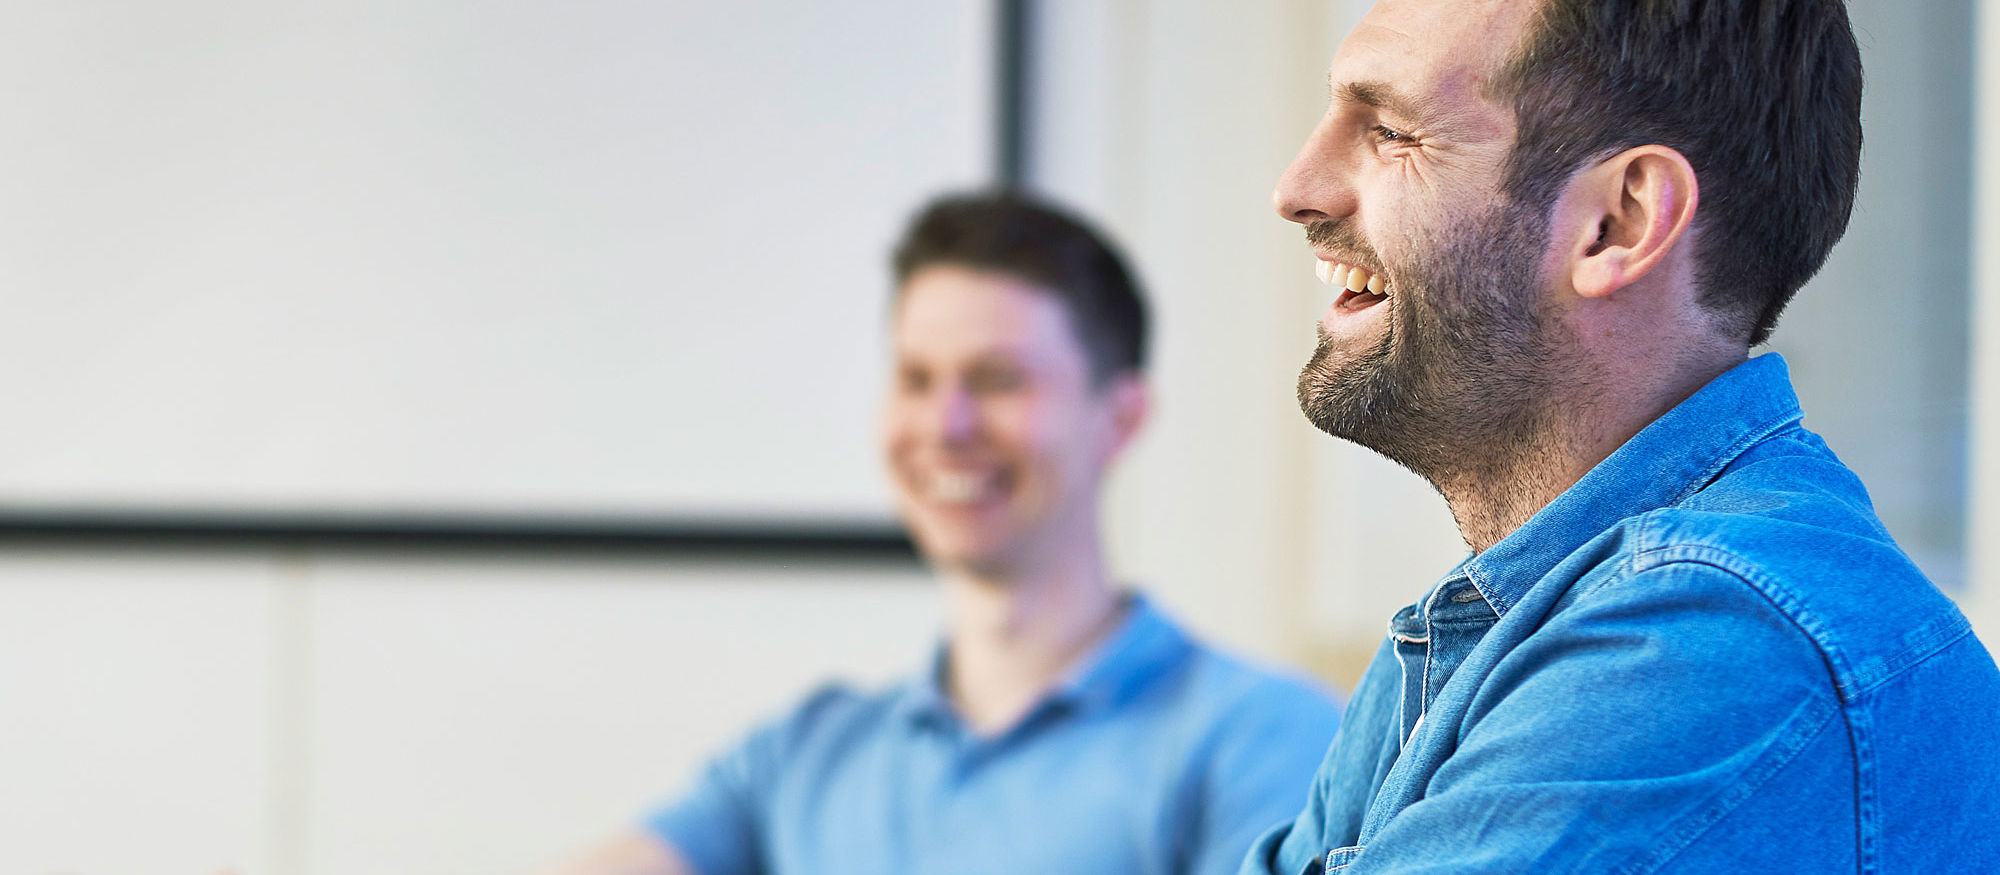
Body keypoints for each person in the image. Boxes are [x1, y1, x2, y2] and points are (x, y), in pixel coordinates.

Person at [1241, 0, 2000, 872]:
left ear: (1620, 222)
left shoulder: (1709, 640)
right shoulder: (1493, 620)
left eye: (1391, 131)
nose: (1296, 188)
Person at [541, 193, 1342, 875]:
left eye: (997, 380)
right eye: (916, 379)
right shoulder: (804, 753)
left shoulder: (1264, 738)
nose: (945, 424)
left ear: (1120, 416)